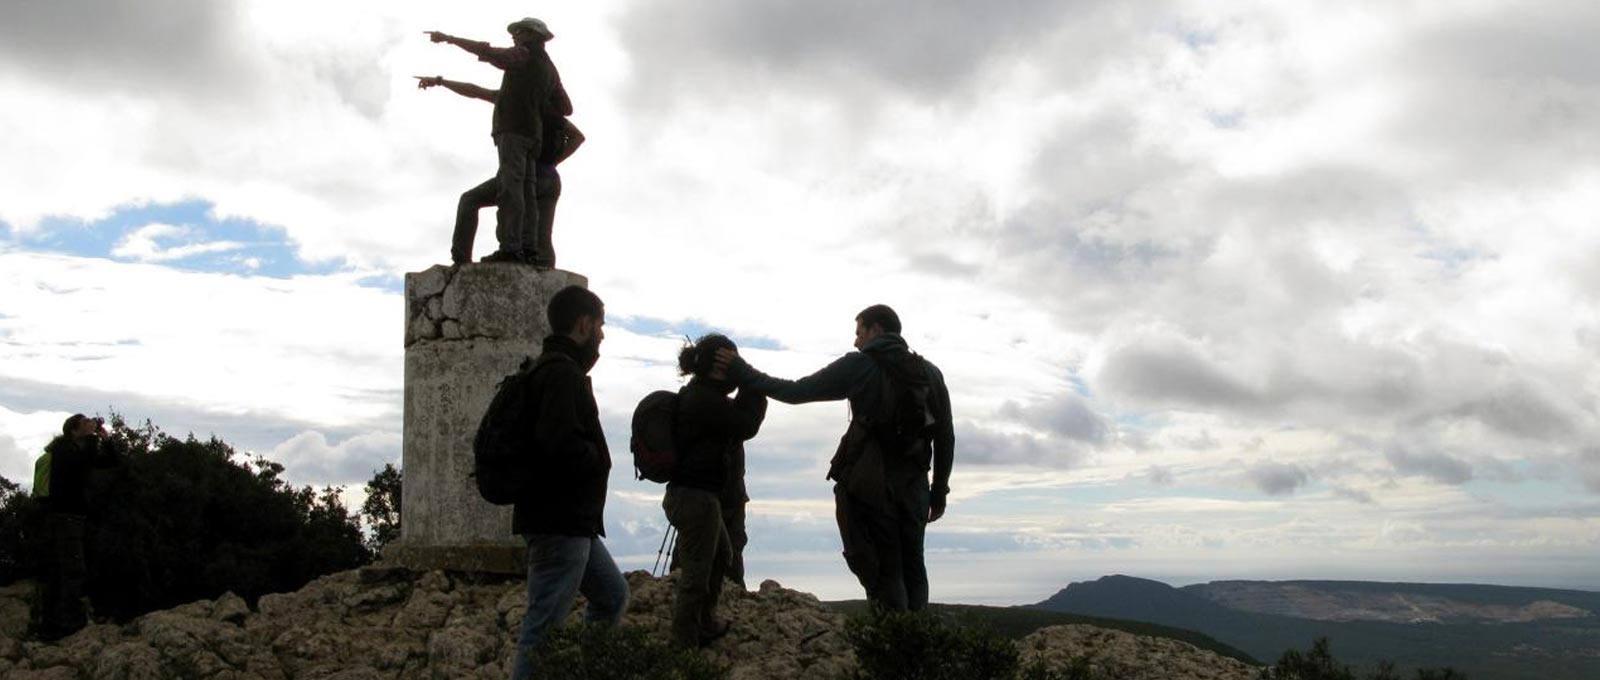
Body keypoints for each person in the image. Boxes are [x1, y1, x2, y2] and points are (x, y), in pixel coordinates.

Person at [717, 305, 954, 611]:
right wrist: (939, 491)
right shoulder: (930, 373)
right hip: (916, 486)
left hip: (873, 484)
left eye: (859, 332)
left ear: (876, 329)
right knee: (914, 564)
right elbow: (945, 436)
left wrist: (741, 371)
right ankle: (916, 645)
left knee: (886, 567)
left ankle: (893, 645)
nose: (856, 341)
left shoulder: (858, 366)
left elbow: (795, 391)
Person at [508, 285, 629, 679]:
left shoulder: (551, 367)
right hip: (559, 520)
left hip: (573, 523)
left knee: (611, 596)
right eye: (600, 325)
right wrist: (596, 458)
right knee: (542, 629)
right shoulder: (561, 373)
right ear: (583, 323)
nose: (602, 335)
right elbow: (557, 443)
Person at [426, 17, 571, 264]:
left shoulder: (524, 55)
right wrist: (535, 103)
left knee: (511, 190)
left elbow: (491, 53)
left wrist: (450, 39)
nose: (513, 36)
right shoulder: (550, 69)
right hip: (532, 137)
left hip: (514, 132)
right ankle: (528, 248)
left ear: (531, 35)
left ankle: (511, 248)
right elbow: (565, 107)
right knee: (525, 191)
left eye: (518, 32)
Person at [415, 75, 586, 267]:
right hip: (550, 181)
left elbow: (474, 90)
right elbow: (578, 137)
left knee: (469, 200)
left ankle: (461, 260)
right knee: (542, 233)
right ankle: (545, 269)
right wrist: (553, 162)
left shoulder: (511, 99)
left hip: (520, 174)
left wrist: (441, 81)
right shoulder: (546, 109)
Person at [664, 334, 767, 648]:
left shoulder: (702, 395)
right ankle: (683, 642)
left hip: (697, 495)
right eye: (731, 363)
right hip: (695, 497)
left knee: (722, 554)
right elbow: (745, 424)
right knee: (696, 573)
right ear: (720, 366)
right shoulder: (704, 400)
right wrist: (751, 381)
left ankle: (704, 621)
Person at [36, 414, 123, 640]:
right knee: (72, 570)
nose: (90, 424)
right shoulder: (65, 451)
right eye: (85, 423)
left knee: (60, 570)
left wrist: (106, 440)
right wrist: (95, 439)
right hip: (66, 518)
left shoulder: (76, 450)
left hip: (69, 517)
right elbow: (84, 462)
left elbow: (112, 462)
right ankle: (68, 625)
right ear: (73, 431)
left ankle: (51, 625)